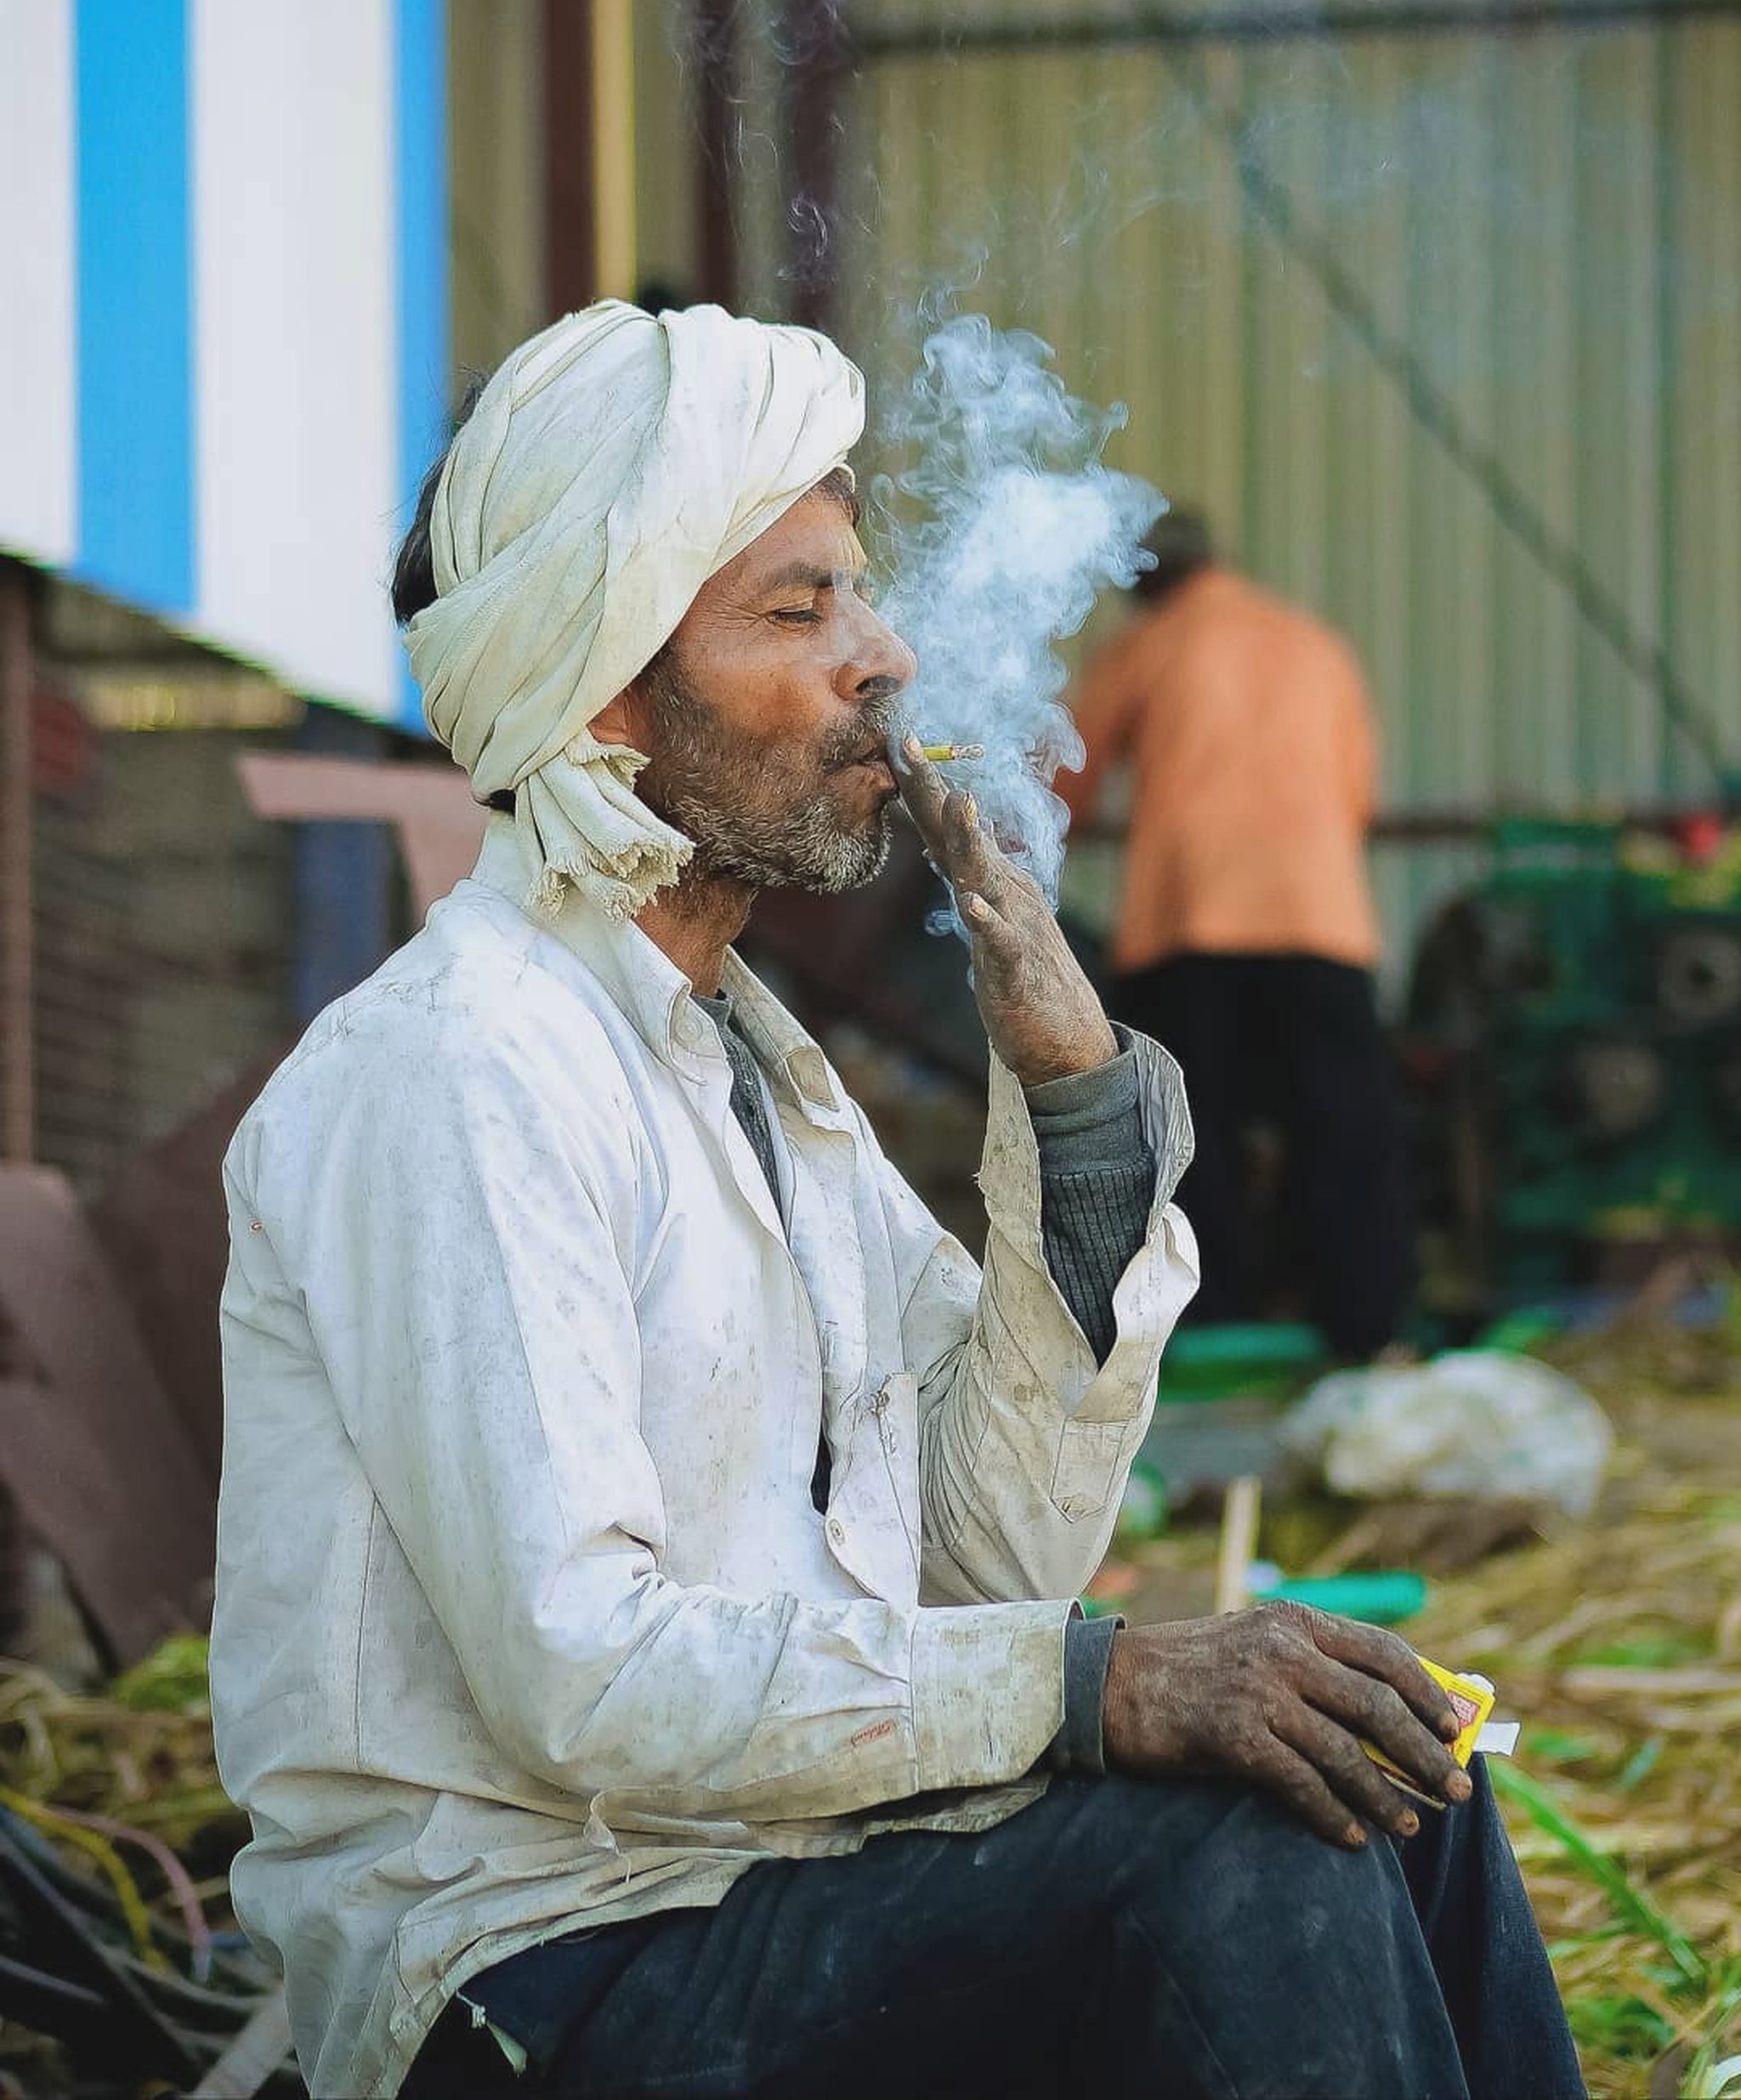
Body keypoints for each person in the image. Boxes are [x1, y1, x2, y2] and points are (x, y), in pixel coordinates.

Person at [211, 305, 1579, 2100]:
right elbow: (580, 1675)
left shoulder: (760, 1079)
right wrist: (1108, 1687)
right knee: (1240, 1848)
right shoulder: (461, 1065)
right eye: (800, 610)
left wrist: (1080, 1119)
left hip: (766, 1876)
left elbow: (985, 1560)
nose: (885, 656)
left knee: (1392, 1778)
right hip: (528, 1971)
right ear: (607, 690)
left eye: (860, 594)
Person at [1057, 509, 1415, 1362]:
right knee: (1342, 1126)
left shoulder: (1148, 647)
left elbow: (1062, 780)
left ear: (1138, 578)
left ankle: (1212, 1326)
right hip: (1318, 919)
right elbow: (1355, 795)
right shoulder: (1311, 643)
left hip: (1193, 921)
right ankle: (1366, 1327)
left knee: (1186, 1135)